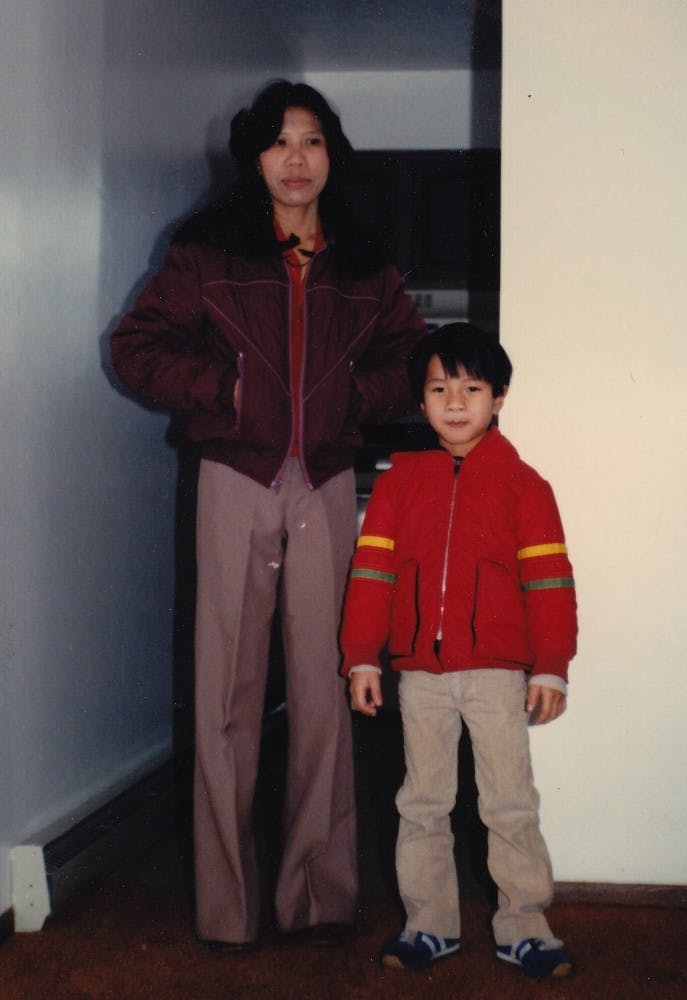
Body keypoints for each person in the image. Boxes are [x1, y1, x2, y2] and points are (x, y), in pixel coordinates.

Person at [110, 80, 425, 949]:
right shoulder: (206, 252)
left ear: (332, 156)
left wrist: (351, 403)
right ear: (253, 157)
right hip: (235, 477)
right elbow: (135, 347)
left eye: (313, 140)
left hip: (324, 481)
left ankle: (318, 897)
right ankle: (228, 909)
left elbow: (413, 361)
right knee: (226, 696)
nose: (297, 158)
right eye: (280, 141)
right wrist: (228, 391)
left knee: (329, 684)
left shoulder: (364, 263)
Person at [340, 324, 578, 979]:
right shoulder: (398, 483)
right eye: (439, 387)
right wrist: (362, 656)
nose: (453, 401)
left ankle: (525, 927)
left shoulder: (524, 486)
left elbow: (549, 584)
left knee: (507, 804)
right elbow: (371, 578)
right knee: (421, 802)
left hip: (497, 677)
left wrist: (551, 665)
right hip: (420, 676)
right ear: (420, 400)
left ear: (497, 398)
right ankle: (428, 924)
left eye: (470, 388)